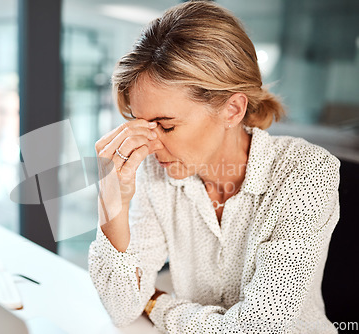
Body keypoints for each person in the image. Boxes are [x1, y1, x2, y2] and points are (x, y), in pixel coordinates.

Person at [88, 1, 340, 333]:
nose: (149, 145)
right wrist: (112, 207)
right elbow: (122, 310)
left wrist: (159, 304)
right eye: (141, 125)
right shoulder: (154, 172)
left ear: (233, 109)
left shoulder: (306, 173)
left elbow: (257, 329)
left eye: (166, 125)